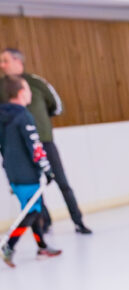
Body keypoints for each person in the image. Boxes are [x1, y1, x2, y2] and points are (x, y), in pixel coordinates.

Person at [0, 48, 92, 235]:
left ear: (18, 61)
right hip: (18, 148)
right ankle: (44, 222)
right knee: (33, 188)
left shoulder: (36, 82)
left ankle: (78, 221)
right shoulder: (1, 87)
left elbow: (55, 106)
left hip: (44, 142)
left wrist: (38, 125)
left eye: (5, 60)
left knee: (61, 181)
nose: (2, 65)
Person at [0, 75, 60, 267]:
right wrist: (47, 169)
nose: (30, 94)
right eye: (27, 89)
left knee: (35, 207)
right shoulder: (24, 115)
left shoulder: (3, 116)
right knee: (32, 211)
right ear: (20, 93)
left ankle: (42, 246)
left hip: (13, 172)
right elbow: (35, 145)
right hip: (27, 173)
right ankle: (9, 245)